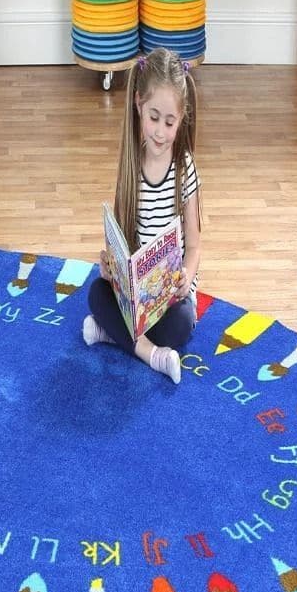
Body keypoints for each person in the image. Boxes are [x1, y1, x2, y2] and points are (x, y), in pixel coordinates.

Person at [83, 48, 201, 384]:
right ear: (138, 105)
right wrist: (110, 266)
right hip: (137, 294)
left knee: (181, 323)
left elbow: (193, 245)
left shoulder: (184, 170)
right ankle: (151, 353)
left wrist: (184, 278)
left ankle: (114, 335)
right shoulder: (131, 166)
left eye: (170, 122)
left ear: (182, 120)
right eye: (153, 118)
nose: (160, 132)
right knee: (95, 293)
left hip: (170, 296)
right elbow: (121, 239)